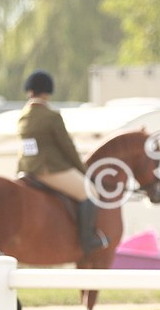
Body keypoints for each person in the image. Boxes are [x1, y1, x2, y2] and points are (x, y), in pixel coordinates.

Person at [16, 69, 107, 253]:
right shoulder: (51, 117)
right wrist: (84, 170)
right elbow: (68, 148)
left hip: (27, 169)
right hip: (49, 169)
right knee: (90, 192)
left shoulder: (22, 116)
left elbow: (26, 147)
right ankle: (87, 239)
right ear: (47, 91)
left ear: (30, 91)